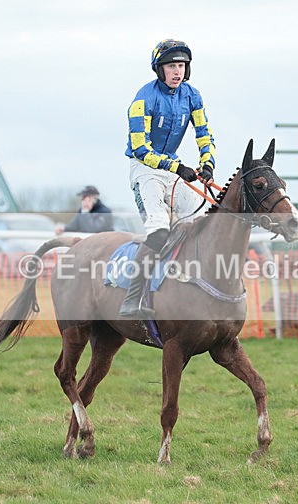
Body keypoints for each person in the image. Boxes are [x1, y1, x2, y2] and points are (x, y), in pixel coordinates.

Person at [119, 38, 217, 319]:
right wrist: (176, 167)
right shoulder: (142, 99)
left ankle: (195, 292)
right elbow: (140, 149)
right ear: (159, 70)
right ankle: (133, 297)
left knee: (199, 226)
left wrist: (207, 164)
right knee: (160, 233)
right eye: (172, 66)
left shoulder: (192, 95)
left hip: (173, 170)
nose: (178, 71)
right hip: (145, 169)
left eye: (182, 66)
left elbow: (204, 134)